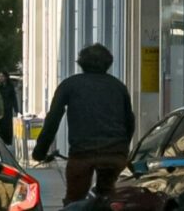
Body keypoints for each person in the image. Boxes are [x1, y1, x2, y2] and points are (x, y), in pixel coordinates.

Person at [32, 44, 134, 205]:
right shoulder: (118, 86)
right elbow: (130, 121)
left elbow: (53, 120)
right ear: (108, 63)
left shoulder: (69, 85)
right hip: (114, 154)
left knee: (75, 200)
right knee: (107, 196)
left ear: (81, 62)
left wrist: (40, 151)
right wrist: (123, 149)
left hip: (82, 154)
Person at [0, 70, 19, 149]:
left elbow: (13, 98)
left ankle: (8, 141)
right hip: (0, 109)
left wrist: (16, 109)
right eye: (0, 76)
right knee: (0, 125)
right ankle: (1, 141)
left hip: (8, 109)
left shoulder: (10, 87)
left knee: (8, 125)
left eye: (2, 76)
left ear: (6, 77)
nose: (1, 78)